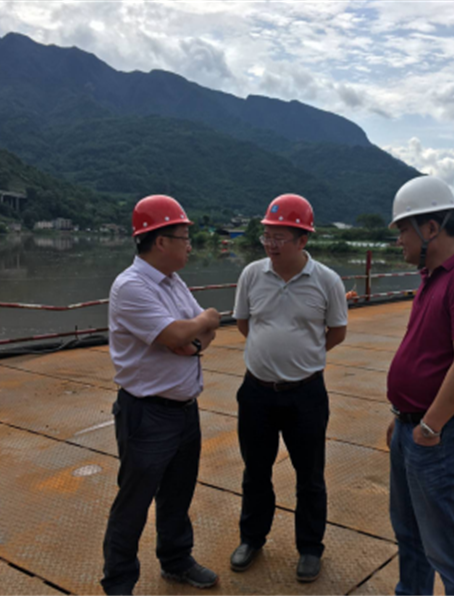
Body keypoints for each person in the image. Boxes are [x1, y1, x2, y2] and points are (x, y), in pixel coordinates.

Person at [101, 195, 221, 596]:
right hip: (148, 414)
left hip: (185, 410)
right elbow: (178, 333)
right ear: (160, 241)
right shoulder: (131, 287)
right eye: (184, 237)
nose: (190, 245)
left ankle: (176, 560)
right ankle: (119, 583)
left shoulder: (172, 281)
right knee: (134, 502)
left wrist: (193, 338)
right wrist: (203, 320)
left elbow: (195, 338)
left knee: (178, 494)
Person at [385, 176, 454, 596]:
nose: (399, 240)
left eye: (403, 229)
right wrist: (403, 418)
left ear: (430, 228)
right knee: (410, 535)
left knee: (446, 547)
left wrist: (429, 426)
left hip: (439, 435)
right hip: (413, 427)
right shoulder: (433, 275)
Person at [229, 193, 348, 582]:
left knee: (309, 475)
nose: (271, 244)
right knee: (255, 471)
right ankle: (252, 539)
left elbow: (336, 332)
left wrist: (302, 357)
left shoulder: (327, 281)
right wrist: (272, 355)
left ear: (303, 240)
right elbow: (245, 324)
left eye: (279, 237)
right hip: (257, 392)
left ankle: (310, 548)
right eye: (267, 235)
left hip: (306, 395)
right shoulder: (251, 274)